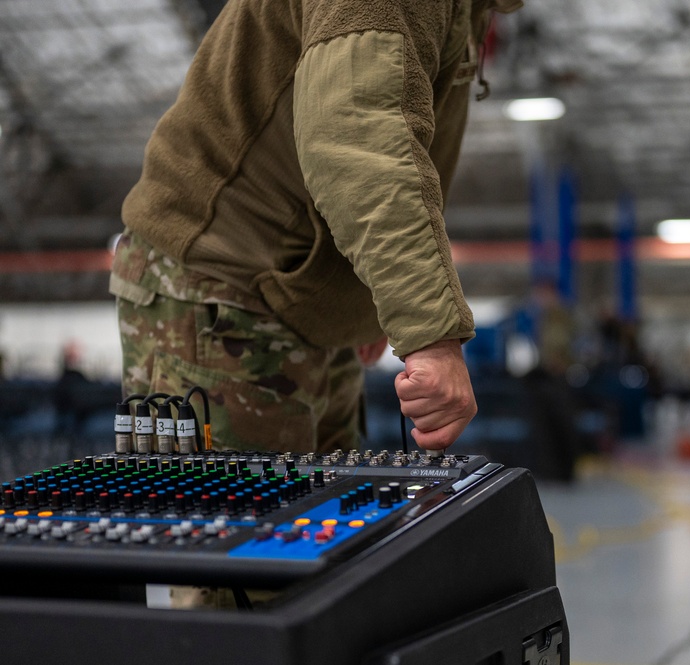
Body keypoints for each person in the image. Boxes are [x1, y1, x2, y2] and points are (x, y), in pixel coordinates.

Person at [110, 0, 524, 455]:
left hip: (303, 292)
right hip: (225, 286)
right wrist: (431, 335)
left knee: (326, 516)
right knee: (249, 522)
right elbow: (357, 138)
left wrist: (369, 299)